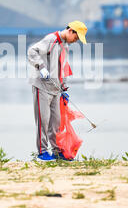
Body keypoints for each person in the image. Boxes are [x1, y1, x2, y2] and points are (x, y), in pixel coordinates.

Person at [27, 20, 88, 161]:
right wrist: (41, 67)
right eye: (76, 37)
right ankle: (42, 152)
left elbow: (63, 67)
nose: (75, 41)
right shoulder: (52, 39)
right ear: (71, 31)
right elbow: (32, 51)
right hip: (41, 86)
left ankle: (56, 151)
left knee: (56, 122)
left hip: (55, 89)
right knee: (43, 120)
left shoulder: (64, 45)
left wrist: (64, 88)